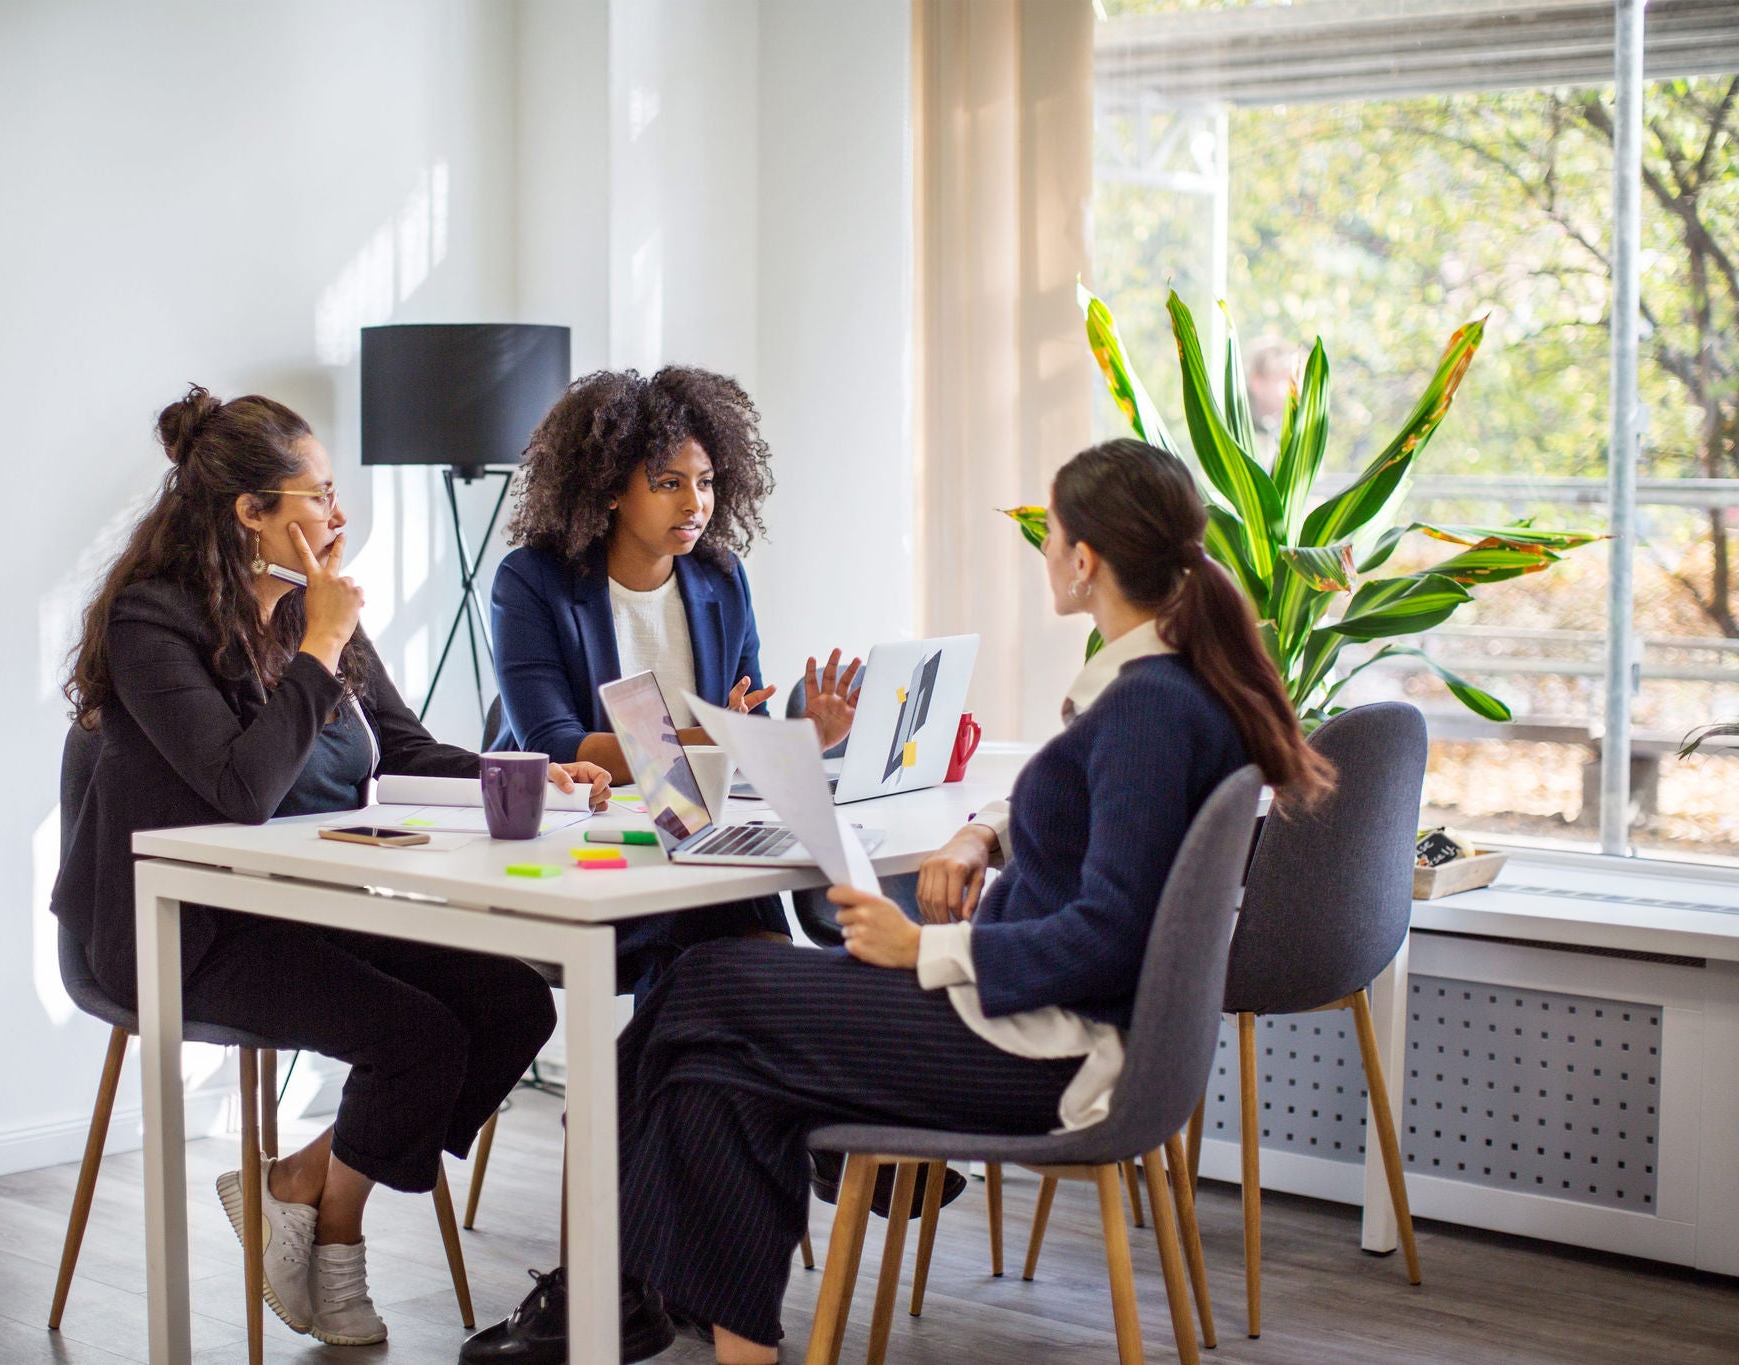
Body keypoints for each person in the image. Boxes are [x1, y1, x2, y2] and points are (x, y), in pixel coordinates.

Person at [459, 438, 1334, 1365]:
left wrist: (921, 949)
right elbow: (1097, 830)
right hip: (1035, 1025)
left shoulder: (1149, 707)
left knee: (705, 986)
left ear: (1083, 560)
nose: (1048, 557)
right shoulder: (1171, 687)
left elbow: (1109, 936)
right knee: (717, 1072)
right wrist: (983, 834)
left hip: (1035, 1047)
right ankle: (694, 1328)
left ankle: (598, 1293)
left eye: (1053, 539)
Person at [51, 386, 613, 1348]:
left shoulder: (318, 618)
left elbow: (403, 748)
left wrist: (530, 773)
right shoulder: (156, 622)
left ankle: (308, 1184)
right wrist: (318, 640)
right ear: (251, 514)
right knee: (419, 1039)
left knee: (515, 1005)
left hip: (300, 904)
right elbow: (240, 787)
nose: (338, 514)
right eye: (317, 494)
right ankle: (330, 1221)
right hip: (173, 928)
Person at [487, 366, 862, 996]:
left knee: (758, 951)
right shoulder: (531, 582)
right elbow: (557, 744)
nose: (696, 505)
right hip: (579, 845)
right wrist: (717, 738)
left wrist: (800, 738)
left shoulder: (721, 577)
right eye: (669, 484)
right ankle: (634, 1096)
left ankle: (641, 1096)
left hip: (695, 836)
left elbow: (743, 737)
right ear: (610, 489)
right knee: (706, 948)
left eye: (707, 483)